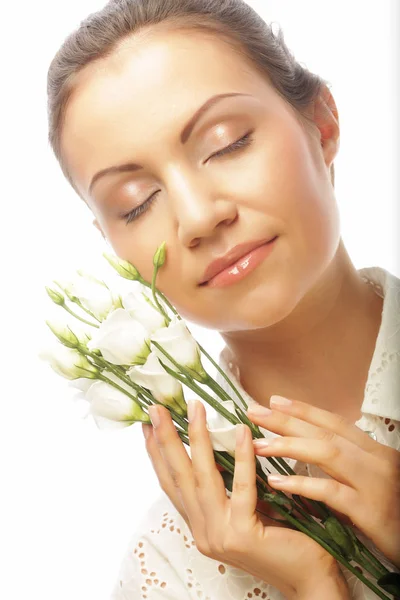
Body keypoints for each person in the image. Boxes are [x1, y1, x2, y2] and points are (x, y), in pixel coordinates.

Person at [46, 0, 400, 598]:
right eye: (135, 202)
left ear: (323, 124)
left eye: (226, 143)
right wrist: (316, 587)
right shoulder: (167, 566)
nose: (197, 217)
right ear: (114, 248)